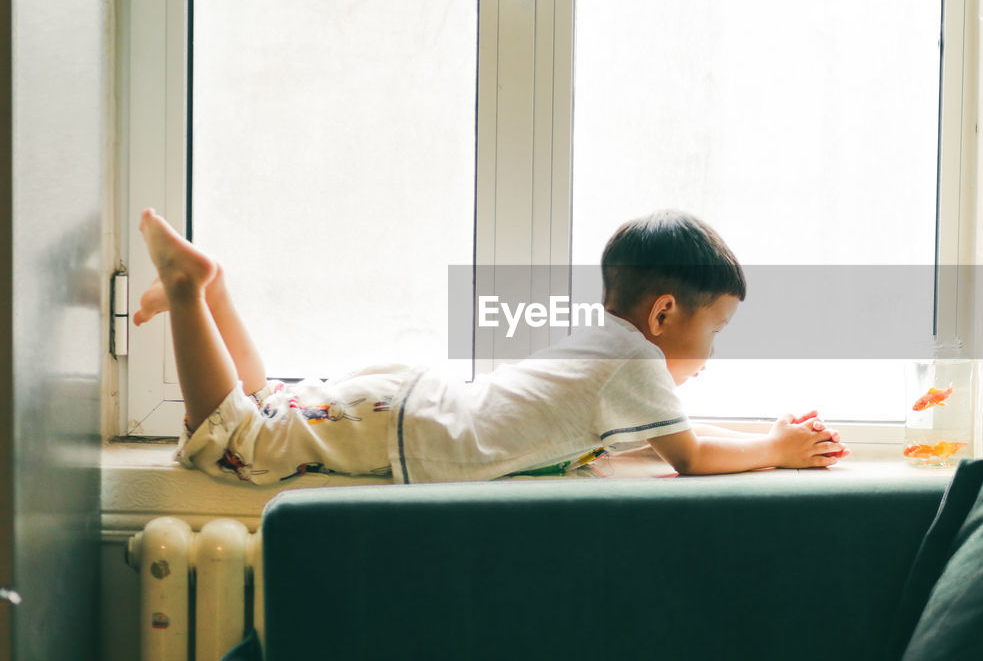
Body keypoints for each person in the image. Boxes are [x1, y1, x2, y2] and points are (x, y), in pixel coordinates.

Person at [133, 208, 849, 485]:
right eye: (714, 331)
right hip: (415, 428)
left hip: (411, 401)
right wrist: (776, 448)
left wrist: (766, 434)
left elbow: (672, 435)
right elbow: (688, 455)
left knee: (266, 409)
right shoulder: (632, 358)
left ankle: (214, 294)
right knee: (234, 439)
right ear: (665, 312)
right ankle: (192, 292)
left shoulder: (607, 348)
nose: (713, 353)